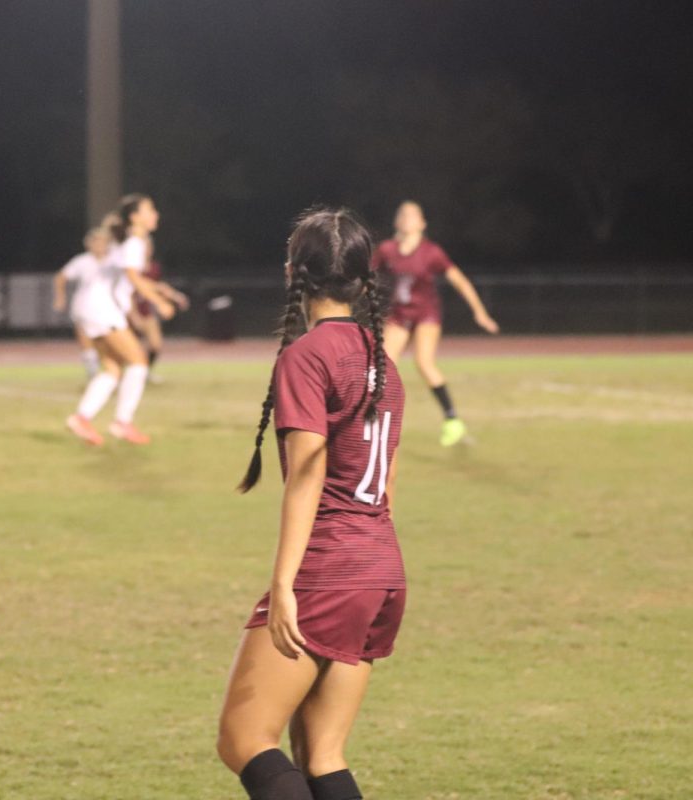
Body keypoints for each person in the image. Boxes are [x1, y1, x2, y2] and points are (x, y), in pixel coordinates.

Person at [217, 207, 406, 800]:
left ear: (291, 272)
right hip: (379, 567)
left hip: (329, 569)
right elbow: (387, 484)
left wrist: (283, 586)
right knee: (323, 755)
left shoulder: (308, 354)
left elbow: (306, 473)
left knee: (244, 739)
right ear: (362, 279)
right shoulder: (383, 361)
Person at [372, 201, 498, 447]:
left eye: (413, 215)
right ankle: (374, 418)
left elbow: (460, 281)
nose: (408, 218)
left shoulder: (431, 252)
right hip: (399, 314)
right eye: (403, 215)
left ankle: (453, 420)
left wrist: (479, 312)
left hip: (426, 314)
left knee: (424, 363)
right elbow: (366, 275)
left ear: (422, 223)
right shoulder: (387, 250)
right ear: (397, 222)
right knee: (382, 364)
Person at [63, 194, 173, 446]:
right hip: (103, 309)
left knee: (112, 369)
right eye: (150, 209)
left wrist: (159, 291)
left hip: (93, 308)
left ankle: (81, 418)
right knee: (138, 363)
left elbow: (130, 278)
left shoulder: (125, 241)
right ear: (135, 217)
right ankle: (122, 423)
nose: (155, 214)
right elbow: (133, 278)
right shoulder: (134, 242)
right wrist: (159, 303)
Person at [124, 240, 190, 383]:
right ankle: (123, 374)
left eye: (149, 247)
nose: (146, 250)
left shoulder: (154, 267)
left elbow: (159, 286)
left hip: (146, 310)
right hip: (128, 311)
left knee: (155, 345)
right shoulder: (131, 267)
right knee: (128, 347)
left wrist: (176, 297)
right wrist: (133, 314)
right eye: (143, 247)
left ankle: (145, 372)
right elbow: (129, 292)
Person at [52, 226, 114, 379]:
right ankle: (93, 374)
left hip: (108, 308)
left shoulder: (113, 261)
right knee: (86, 341)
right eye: (96, 242)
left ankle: (109, 372)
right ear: (89, 244)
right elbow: (60, 277)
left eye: (102, 242)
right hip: (84, 307)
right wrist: (60, 298)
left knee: (108, 343)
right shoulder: (82, 261)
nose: (99, 245)